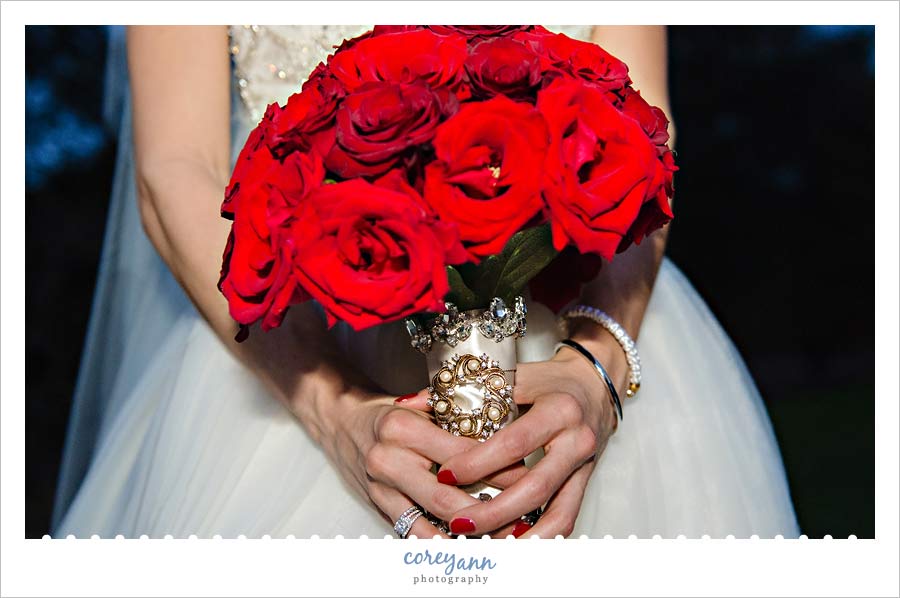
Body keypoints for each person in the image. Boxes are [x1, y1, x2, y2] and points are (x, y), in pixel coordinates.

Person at [52, 25, 799, 538]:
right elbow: (174, 169)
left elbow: (642, 141)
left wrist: (595, 370)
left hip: (585, 322)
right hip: (297, 346)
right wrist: (332, 409)